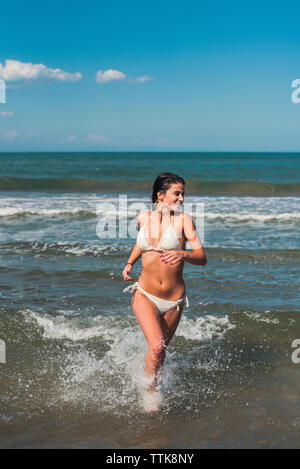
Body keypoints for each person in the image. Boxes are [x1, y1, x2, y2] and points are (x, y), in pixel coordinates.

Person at [122, 172, 207, 410]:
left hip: (173, 300)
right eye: (176, 193)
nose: (181, 198)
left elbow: (202, 258)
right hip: (145, 294)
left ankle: (151, 379)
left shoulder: (184, 221)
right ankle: (152, 395)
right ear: (161, 195)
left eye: (183, 194)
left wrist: (183, 253)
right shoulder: (143, 217)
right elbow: (141, 244)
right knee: (157, 346)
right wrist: (130, 263)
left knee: (160, 351)